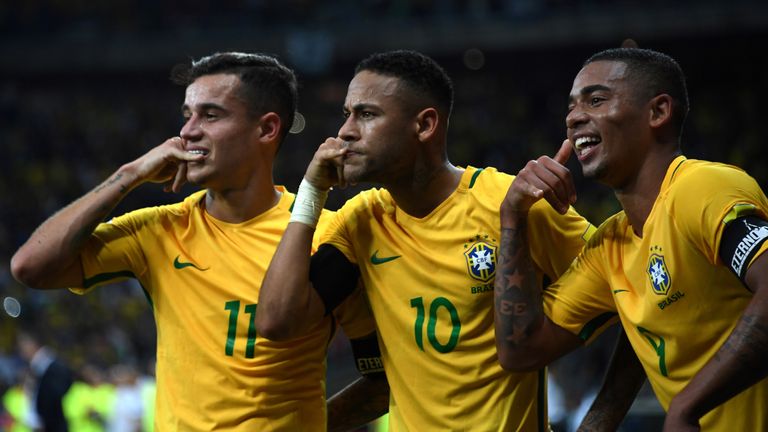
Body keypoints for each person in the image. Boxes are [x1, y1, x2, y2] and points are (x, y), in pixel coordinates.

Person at [10, 52, 387, 431]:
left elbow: (380, 377)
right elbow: (30, 266)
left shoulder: (326, 236)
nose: (188, 131)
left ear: (267, 129)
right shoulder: (159, 230)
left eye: (210, 115)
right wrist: (128, 175)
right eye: (187, 114)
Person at [256, 49, 599, 431]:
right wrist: (311, 192)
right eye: (347, 115)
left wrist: (600, 419)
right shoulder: (361, 221)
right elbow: (275, 321)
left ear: (424, 125)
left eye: (366, 114)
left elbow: (629, 292)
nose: (345, 132)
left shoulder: (513, 204)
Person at [493, 47, 768, 431]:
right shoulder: (611, 245)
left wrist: (686, 407)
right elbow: (521, 349)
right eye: (571, 106)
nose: (573, 117)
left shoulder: (702, 187)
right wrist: (513, 218)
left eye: (596, 99)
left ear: (658, 112)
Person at [16, 330, 74, 432]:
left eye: (22, 346)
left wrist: (45, 421)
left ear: (32, 345)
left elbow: (56, 397)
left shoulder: (53, 367)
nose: (21, 351)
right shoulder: (36, 369)